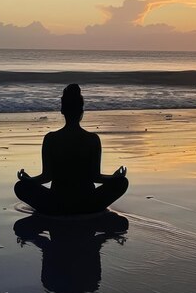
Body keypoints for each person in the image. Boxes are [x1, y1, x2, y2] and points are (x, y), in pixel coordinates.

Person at [14, 84, 128, 215]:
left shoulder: (51, 139)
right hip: (87, 203)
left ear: (62, 111)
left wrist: (29, 181)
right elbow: (96, 177)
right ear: (82, 112)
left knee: (20, 187)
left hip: (57, 203)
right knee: (122, 182)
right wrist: (114, 178)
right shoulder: (92, 139)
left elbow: (46, 177)